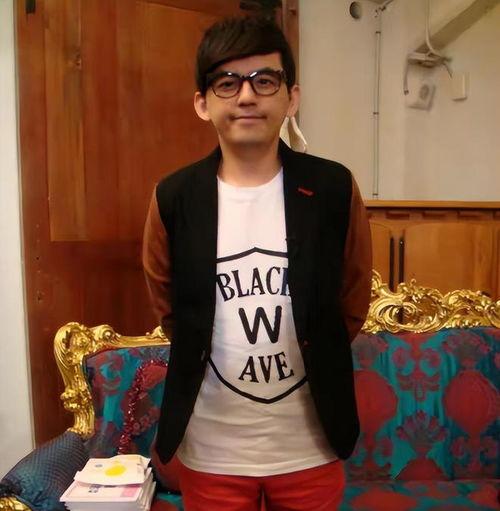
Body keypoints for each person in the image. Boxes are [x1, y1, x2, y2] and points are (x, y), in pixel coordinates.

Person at [142, 15, 372, 511]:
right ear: (203, 103)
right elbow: (169, 306)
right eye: (227, 83)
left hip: (310, 445)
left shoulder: (333, 188)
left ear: (292, 97)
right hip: (212, 449)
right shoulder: (174, 197)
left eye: (264, 80)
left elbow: (352, 301)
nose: (246, 96)